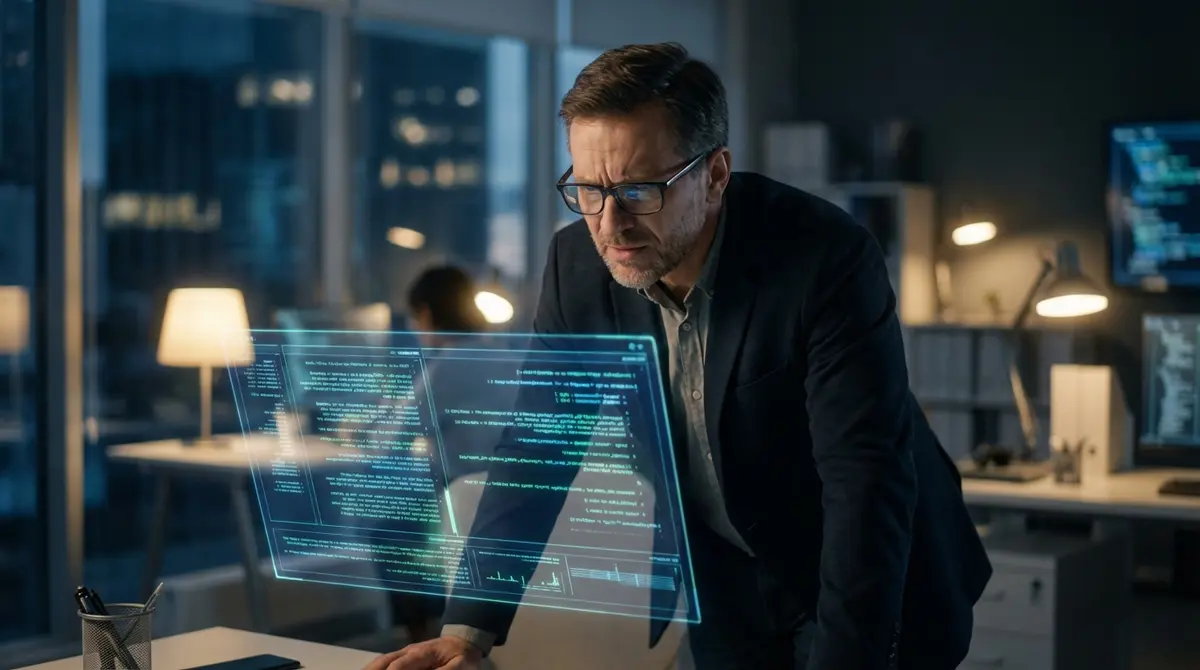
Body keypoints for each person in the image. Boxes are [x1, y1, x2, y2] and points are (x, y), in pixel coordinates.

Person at [365, 43, 991, 670]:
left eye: (639, 190)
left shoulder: (824, 258)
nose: (610, 225)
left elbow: (863, 484)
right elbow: (538, 447)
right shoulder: (578, 267)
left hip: (869, 582)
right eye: (587, 189)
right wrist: (467, 631)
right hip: (728, 584)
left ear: (716, 173)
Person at [387, 265, 490, 644]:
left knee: (389, 531)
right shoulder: (502, 351)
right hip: (505, 494)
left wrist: (350, 428)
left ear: (426, 314)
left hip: (465, 500)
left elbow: (392, 439)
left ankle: (423, 639)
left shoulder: (446, 366)